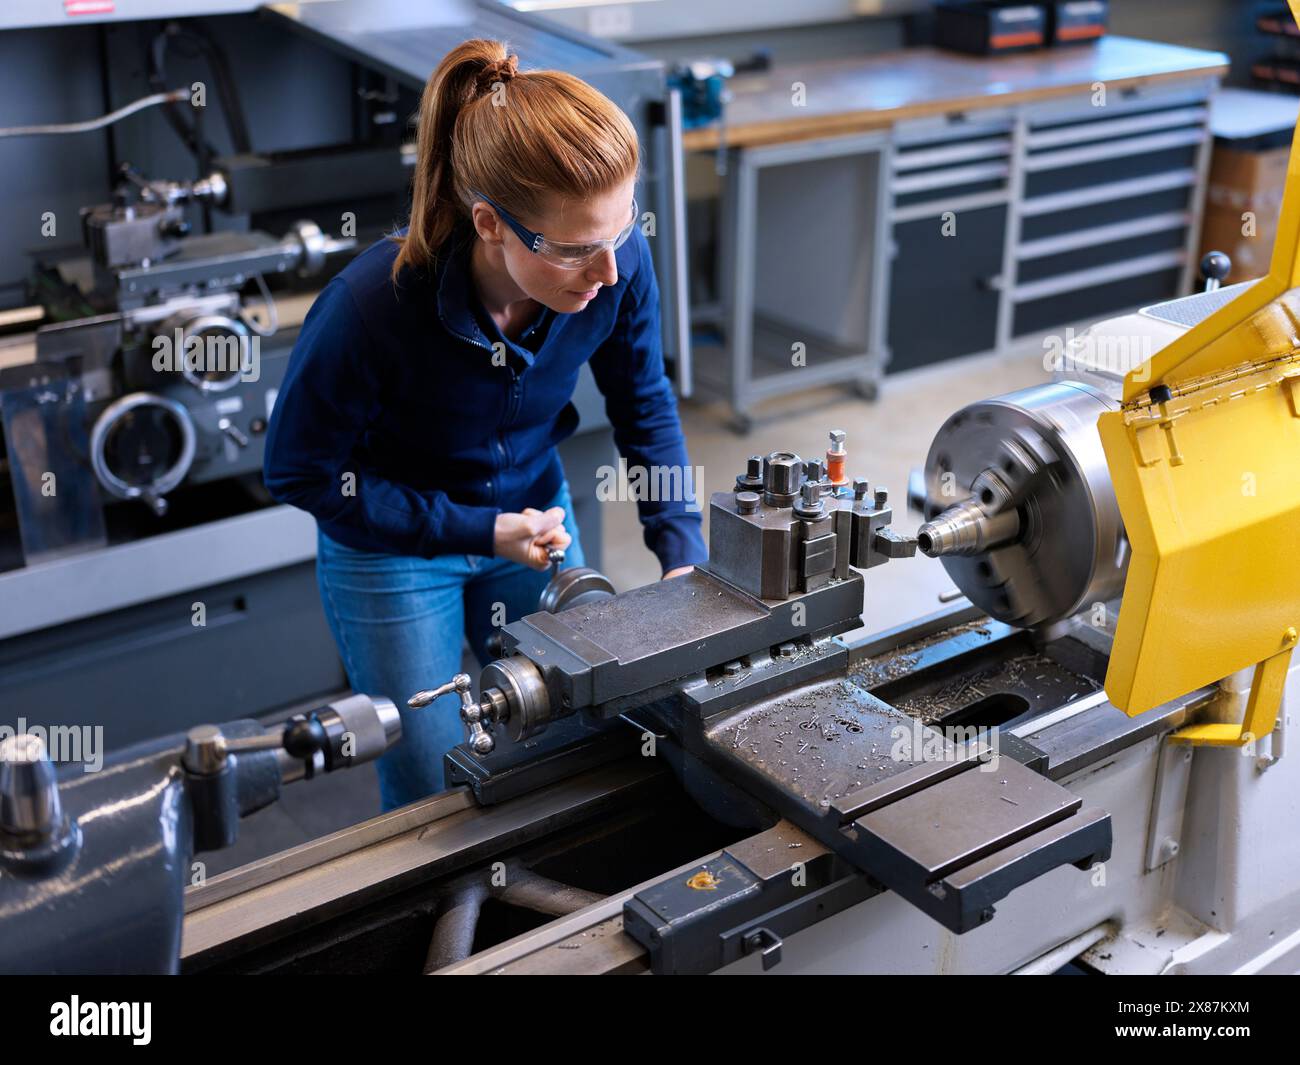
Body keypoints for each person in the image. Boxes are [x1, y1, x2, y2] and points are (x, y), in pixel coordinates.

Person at [263, 39, 706, 810]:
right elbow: (300, 470)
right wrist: (476, 528)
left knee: (579, 725)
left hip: (536, 517)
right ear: (489, 224)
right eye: (576, 250)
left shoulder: (616, 262)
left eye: (622, 232)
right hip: (393, 550)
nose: (609, 273)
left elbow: (645, 402)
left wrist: (683, 553)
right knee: (433, 776)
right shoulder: (370, 309)